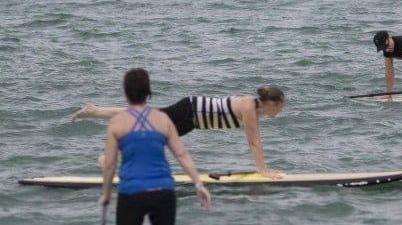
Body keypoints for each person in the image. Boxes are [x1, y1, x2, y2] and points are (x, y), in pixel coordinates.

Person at [99, 68, 212, 225]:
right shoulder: (163, 119)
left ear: (125, 93)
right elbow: (182, 155)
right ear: (148, 92)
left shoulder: (117, 123)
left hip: (133, 192)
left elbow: (109, 165)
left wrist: (106, 195)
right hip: (164, 191)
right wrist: (199, 185)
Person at [72, 86, 286, 178]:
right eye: (280, 106)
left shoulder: (252, 107)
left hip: (191, 118)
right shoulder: (250, 108)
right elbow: (254, 142)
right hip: (189, 113)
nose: (281, 110)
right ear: (271, 103)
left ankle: (96, 114)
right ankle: (105, 145)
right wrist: (263, 170)